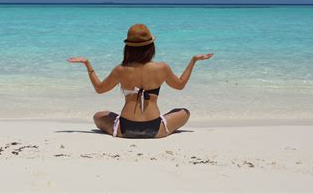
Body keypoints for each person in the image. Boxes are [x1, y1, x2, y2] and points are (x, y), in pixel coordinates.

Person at [67, 23, 213, 138]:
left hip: (124, 129)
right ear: (151, 47)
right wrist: (193, 61)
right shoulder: (162, 68)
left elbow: (99, 89)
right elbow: (180, 85)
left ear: (128, 48)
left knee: (99, 115)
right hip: (155, 130)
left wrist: (87, 64)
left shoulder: (121, 69)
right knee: (183, 112)